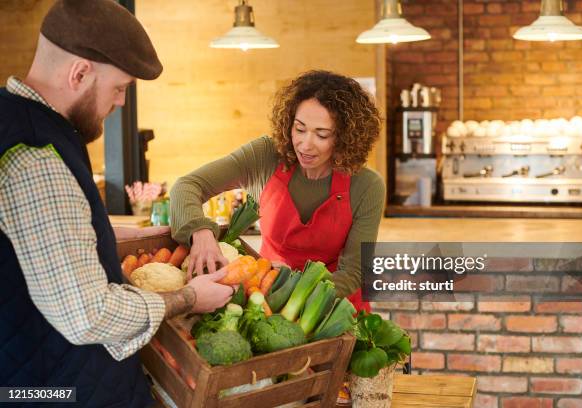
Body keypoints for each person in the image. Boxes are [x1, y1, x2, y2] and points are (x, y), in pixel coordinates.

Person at [0, 1, 232, 406]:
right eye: (119, 88)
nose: (121, 102)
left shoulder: (16, 120)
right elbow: (89, 315)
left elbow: (38, 246)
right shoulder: (39, 158)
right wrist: (189, 298)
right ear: (78, 73)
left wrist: (122, 233)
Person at [171, 70, 385, 312]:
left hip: (331, 310)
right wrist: (199, 233)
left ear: (345, 138)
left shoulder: (366, 185)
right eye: (300, 128)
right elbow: (187, 185)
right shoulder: (265, 157)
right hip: (265, 301)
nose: (305, 144)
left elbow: (353, 273)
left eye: (322, 134)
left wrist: (291, 285)